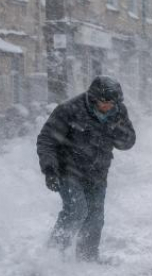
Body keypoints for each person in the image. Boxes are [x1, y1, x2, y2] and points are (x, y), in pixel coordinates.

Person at [36, 75, 136, 262]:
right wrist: (49, 170)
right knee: (77, 210)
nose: (108, 106)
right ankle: (52, 256)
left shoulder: (118, 111)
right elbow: (46, 140)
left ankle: (87, 259)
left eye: (112, 103)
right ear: (93, 98)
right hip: (69, 171)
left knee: (95, 216)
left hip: (98, 173)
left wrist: (119, 129)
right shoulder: (69, 110)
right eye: (104, 102)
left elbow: (128, 142)